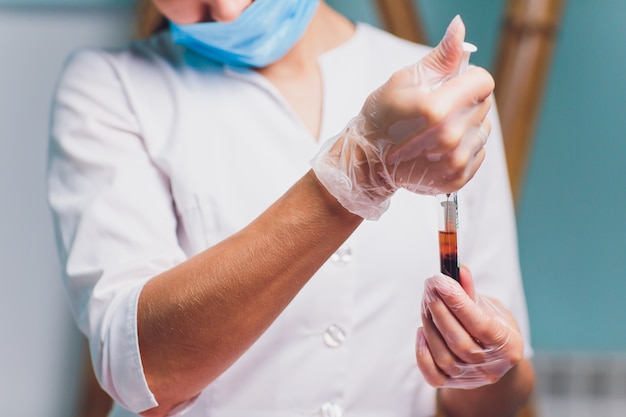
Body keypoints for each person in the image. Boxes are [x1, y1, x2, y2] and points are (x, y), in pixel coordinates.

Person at [47, 1, 535, 416]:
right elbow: (145, 372)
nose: (225, 9)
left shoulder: (446, 97)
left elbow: (502, 390)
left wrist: (482, 362)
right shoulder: (110, 87)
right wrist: (355, 173)